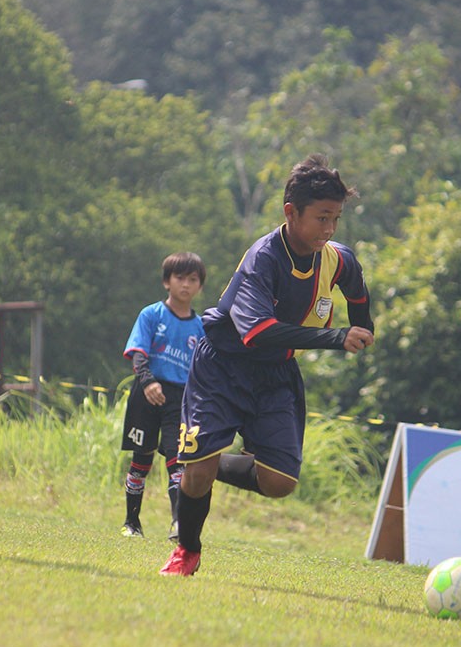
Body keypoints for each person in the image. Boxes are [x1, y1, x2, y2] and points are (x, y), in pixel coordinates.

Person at [160, 154, 375, 576]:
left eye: (336, 219)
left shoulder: (336, 257)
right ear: (290, 213)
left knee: (280, 483)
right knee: (198, 472)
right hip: (223, 366)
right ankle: (187, 550)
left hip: (276, 374)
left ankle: (203, 459)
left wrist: (364, 326)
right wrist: (337, 337)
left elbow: (357, 288)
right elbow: (257, 332)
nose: (329, 229)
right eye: (321, 218)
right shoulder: (264, 258)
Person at [120, 251, 205, 540]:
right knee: (141, 458)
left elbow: (204, 370)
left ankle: (178, 524)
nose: (185, 285)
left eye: (192, 279)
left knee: (177, 459)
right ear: (167, 282)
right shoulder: (151, 314)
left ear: (200, 286)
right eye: (179, 278)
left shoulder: (201, 328)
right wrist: (147, 382)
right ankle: (132, 522)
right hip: (147, 393)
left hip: (180, 400)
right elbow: (138, 353)